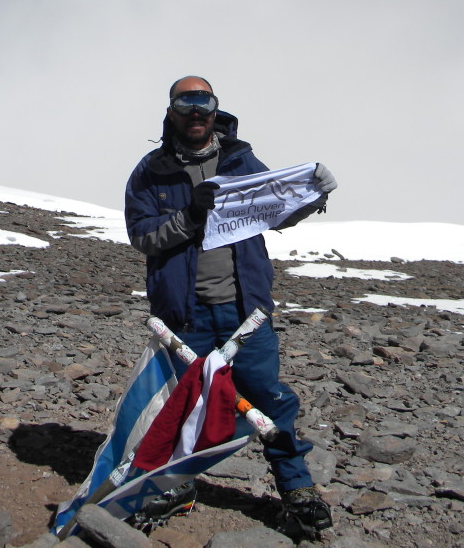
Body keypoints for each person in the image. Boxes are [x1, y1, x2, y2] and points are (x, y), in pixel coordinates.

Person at [124, 75, 337, 536]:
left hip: (245, 310)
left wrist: (315, 194)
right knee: (183, 405)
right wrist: (190, 216)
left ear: (215, 109)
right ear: (171, 112)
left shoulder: (241, 160)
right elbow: (143, 237)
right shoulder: (151, 171)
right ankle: (175, 486)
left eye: (205, 102)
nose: (197, 111)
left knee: (269, 398)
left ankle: (297, 488)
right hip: (186, 315)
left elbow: (274, 212)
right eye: (186, 102)